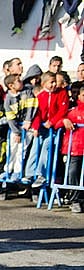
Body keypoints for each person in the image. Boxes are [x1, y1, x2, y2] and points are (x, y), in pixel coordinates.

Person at [28, 71, 69, 188]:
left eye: (55, 82)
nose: (54, 85)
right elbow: (37, 113)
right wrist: (36, 127)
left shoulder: (62, 93)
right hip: (42, 127)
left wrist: (52, 122)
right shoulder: (41, 96)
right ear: (44, 83)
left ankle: (41, 174)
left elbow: (62, 110)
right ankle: (29, 172)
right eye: (51, 82)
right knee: (35, 147)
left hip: (53, 128)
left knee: (46, 148)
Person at [55, 80, 84, 213]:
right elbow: (58, 123)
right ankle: (75, 199)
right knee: (73, 173)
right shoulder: (72, 112)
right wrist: (64, 120)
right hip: (74, 149)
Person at [4, 73, 36, 182]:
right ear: (11, 86)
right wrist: (16, 132)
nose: (21, 82)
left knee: (22, 149)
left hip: (27, 127)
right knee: (12, 148)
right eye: (18, 81)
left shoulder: (27, 92)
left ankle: (17, 171)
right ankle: (8, 169)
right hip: (15, 128)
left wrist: (28, 120)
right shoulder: (8, 99)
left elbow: (31, 107)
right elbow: (10, 117)